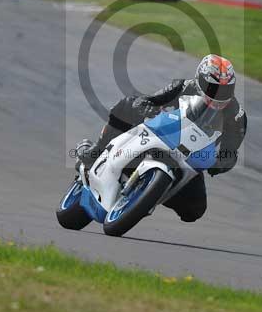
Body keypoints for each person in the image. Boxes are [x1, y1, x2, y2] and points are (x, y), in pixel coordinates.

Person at [75, 54, 247, 222]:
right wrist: (146, 107)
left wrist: (221, 163)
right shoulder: (184, 86)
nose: (218, 94)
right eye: (213, 87)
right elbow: (151, 100)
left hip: (191, 157)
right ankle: (96, 150)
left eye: (225, 89)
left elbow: (230, 151)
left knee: (194, 211)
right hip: (162, 134)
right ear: (200, 80)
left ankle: (150, 193)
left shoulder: (237, 116)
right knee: (127, 106)